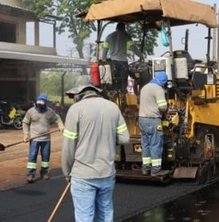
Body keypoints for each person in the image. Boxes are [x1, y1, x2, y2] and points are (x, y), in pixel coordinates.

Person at [61, 84, 130, 222]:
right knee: (105, 215)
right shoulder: (112, 107)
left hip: (83, 175)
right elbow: (125, 138)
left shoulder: (76, 110)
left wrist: (67, 173)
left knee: (84, 217)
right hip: (107, 173)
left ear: (80, 94)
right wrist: (107, 137)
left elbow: (68, 148)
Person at [22, 94, 64, 183]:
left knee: (45, 157)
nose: (39, 106)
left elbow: (57, 118)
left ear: (45, 104)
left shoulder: (50, 112)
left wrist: (60, 125)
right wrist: (26, 134)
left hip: (46, 139)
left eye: (41, 104)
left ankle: (44, 172)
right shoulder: (31, 112)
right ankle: (30, 174)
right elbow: (25, 123)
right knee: (32, 157)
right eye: (38, 104)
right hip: (34, 138)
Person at [139, 71, 169, 177]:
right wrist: (166, 112)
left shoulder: (144, 87)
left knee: (145, 144)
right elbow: (163, 107)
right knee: (155, 144)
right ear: (163, 82)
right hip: (153, 120)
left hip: (142, 119)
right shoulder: (158, 89)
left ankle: (145, 168)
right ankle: (156, 170)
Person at [102, 22, 144, 93]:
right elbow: (132, 47)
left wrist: (104, 60)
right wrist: (141, 55)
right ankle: (124, 94)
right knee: (123, 81)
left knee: (114, 80)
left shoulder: (109, 36)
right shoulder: (126, 35)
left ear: (116, 28)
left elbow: (105, 49)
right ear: (123, 28)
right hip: (122, 62)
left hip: (113, 62)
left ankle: (116, 94)